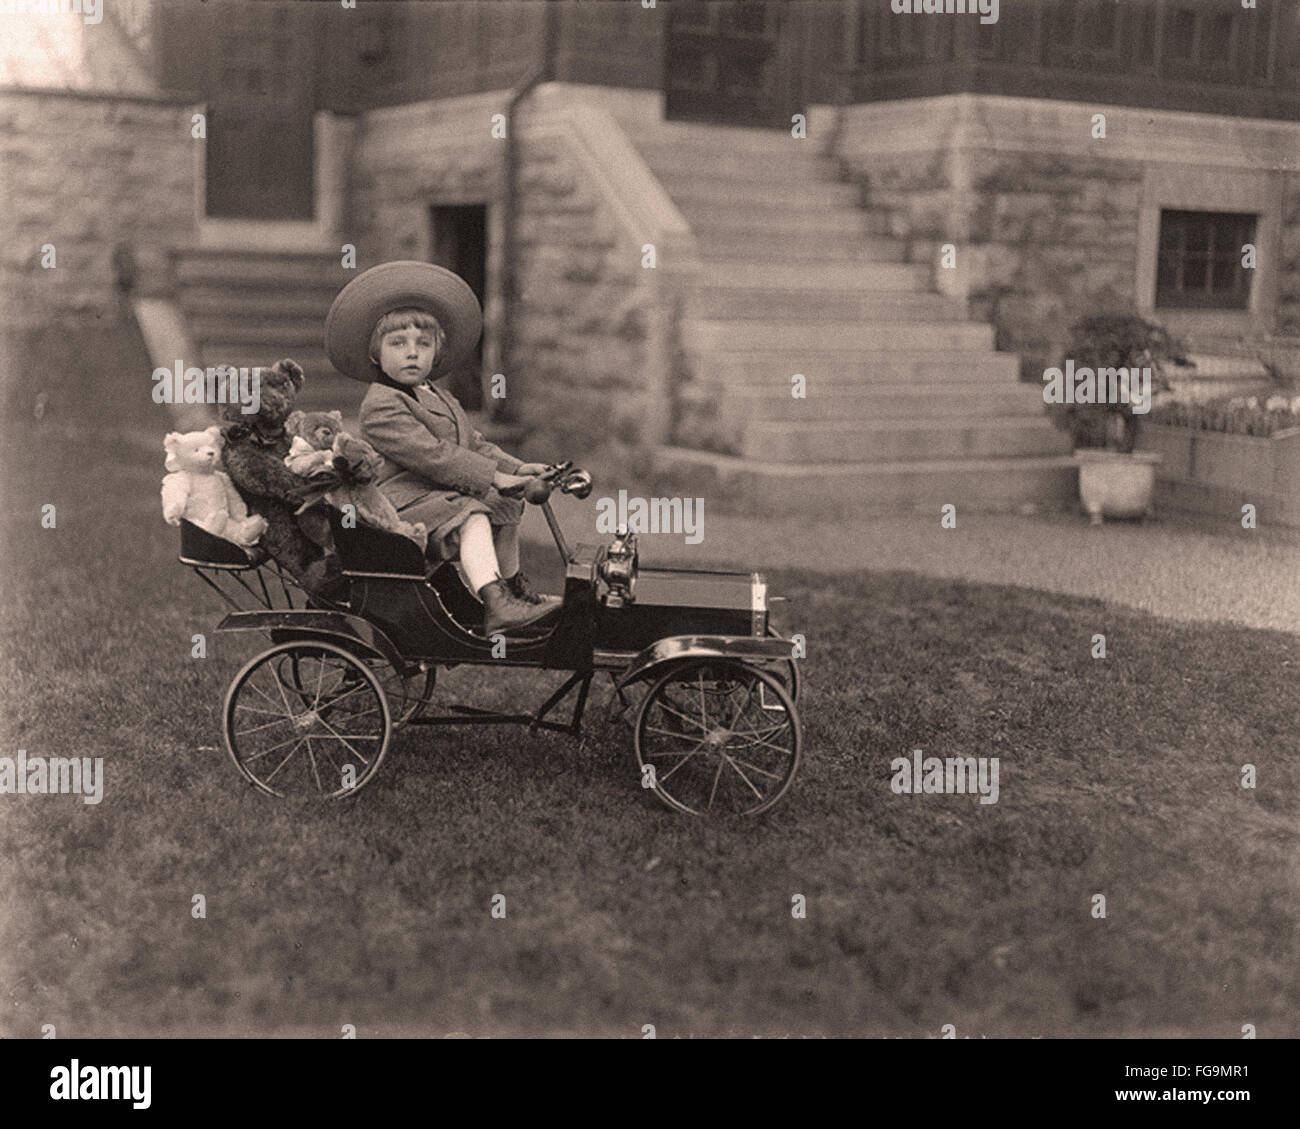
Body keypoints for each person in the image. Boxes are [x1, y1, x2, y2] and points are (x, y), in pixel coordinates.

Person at [324, 261, 561, 635]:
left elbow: (474, 445)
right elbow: (433, 455)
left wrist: (518, 470)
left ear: (437, 352)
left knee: (505, 503)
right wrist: (495, 478)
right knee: (471, 514)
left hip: (432, 494)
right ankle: (497, 604)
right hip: (400, 501)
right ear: (376, 354)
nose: (412, 354)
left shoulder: (439, 395)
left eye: (423, 344)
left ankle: (513, 591)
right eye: (398, 344)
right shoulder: (381, 404)